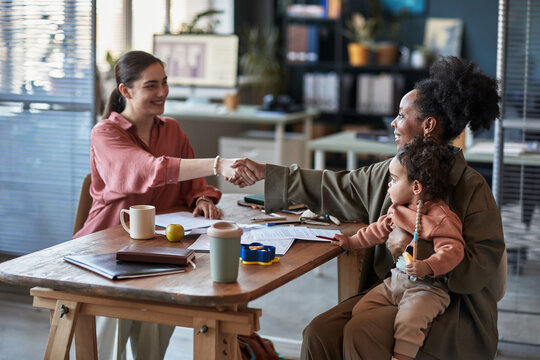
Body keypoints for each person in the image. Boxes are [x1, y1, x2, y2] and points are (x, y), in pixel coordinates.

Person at [230, 56, 505, 359]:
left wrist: (418, 253)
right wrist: (266, 174)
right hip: (395, 290)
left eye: (401, 115)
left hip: (452, 306)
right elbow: (333, 186)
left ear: (427, 126)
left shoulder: (471, 186)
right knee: (319, 334)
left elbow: (482, 265)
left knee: (361, 331)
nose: (393, 122)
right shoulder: (390, 172)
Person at [74, 50, 254, 359]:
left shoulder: (171, 129)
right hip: (105, 255)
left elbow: (193, 187)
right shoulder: (105, 133)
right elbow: (147, 169)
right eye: (151, 86)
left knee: (153, 347)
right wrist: (218, 163)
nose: (162, 93)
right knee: (108, 347)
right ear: (125, 91)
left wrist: (200, 198)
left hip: (159, 257)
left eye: (165, 83)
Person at [331, 136, 464, 360]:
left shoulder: (441, 218)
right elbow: (375, 230)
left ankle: (402, 357)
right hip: (396, 281)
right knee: (360, 310)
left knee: (409, 321)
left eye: (393, 180)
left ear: (415, 186)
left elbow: (453, 250)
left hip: (427, 288)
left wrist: (428, 266)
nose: (388, 185)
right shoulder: (397, 210)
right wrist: (350, 242)